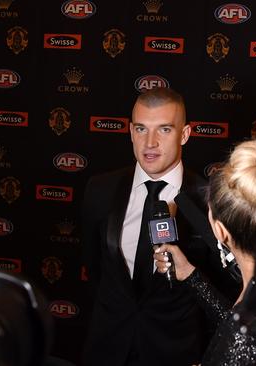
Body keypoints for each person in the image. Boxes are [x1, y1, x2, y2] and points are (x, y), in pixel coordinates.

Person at [81, 87, 235, 366]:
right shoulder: (100, 190)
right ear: (130, 132)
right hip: (107, 350)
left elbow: (224, 291)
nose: (150, 142)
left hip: (177, 354)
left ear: (185, 134)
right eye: (141, 129)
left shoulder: (210, 201)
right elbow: (94, 270)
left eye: (164, 129)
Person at [153, 140, 256, 365]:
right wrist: (191, 276)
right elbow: (241, 325)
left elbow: (242, 338)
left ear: (220, 230)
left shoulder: (245, 332)